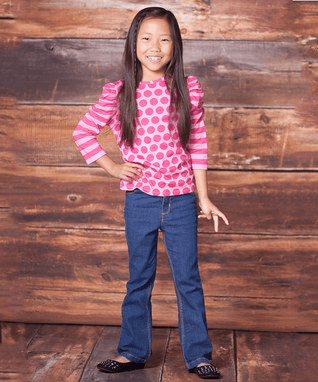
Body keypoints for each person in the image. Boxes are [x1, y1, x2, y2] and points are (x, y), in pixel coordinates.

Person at [73, 6, 228, 380]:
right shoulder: (119, 93)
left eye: (164, 38)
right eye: (146, 38)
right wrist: (112, 167)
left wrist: (203, 198)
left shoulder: (187, 90)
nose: (154, 46)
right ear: (133, 43)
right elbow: (83, 132)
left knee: (187, 279)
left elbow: (199, 146)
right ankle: (132, 352)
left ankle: (198, 356)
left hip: (181, 201)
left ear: (175, 46)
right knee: (138, 278)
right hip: (140, 199)